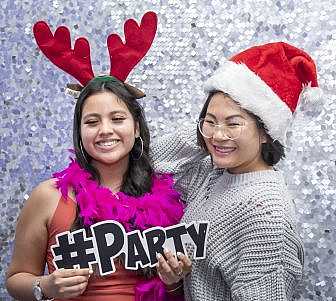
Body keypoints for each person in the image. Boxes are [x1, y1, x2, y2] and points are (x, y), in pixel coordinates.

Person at [6, 13, 185, 301]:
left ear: (136, 127)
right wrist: (46, 287)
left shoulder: (166, 198)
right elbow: (16, 279)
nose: (105, 131)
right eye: (91, 122)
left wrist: (174, 282)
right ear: (79, 131)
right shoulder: (48, 197)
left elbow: (176, 291)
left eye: (117, 118)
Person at [153, 42, 322, 300]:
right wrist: (210, 131)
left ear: (266, 132)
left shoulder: (265, 216)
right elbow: (150, 161)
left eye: (234, 123)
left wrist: (216, 130)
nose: (219, 135)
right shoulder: (217, 173)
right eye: (210, 121)